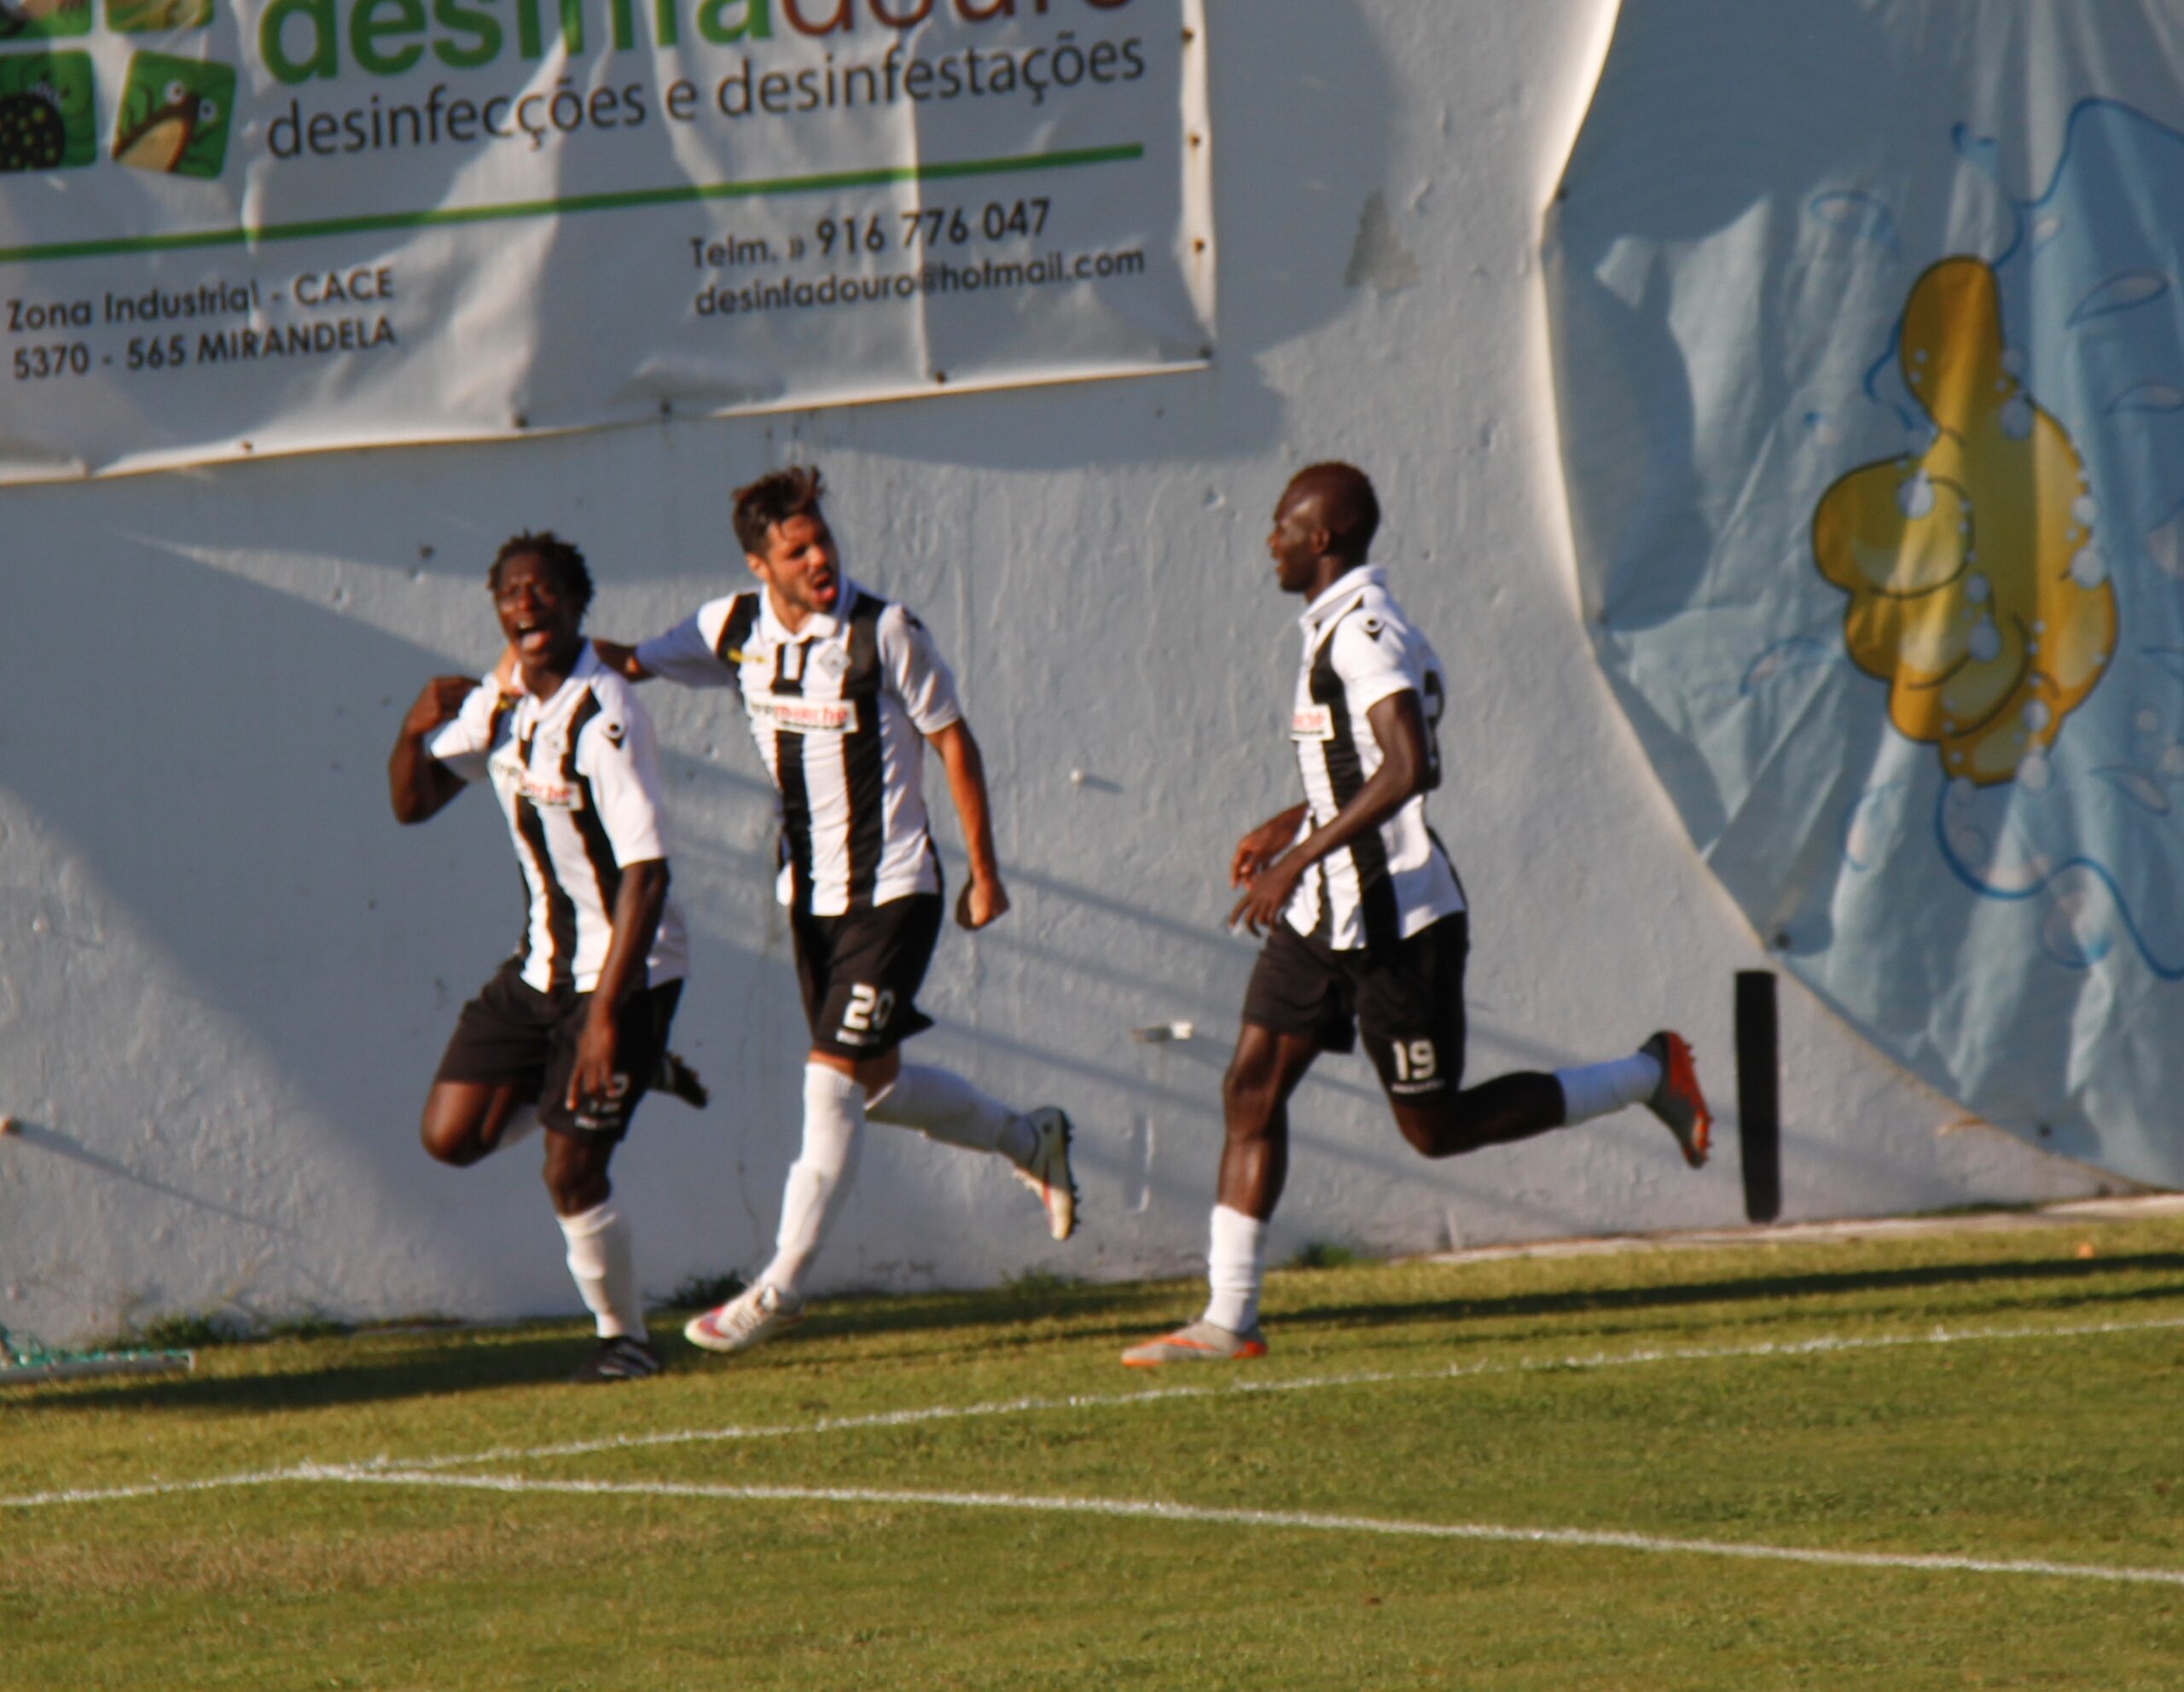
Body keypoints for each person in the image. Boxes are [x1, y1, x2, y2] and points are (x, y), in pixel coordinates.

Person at [1123, 463, 1711, 1366]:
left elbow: (1409, 767)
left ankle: (1648, 1073)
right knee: (1249, 1086)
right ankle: (1227, 1320)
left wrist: (1297, 859)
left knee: (1434, 1131)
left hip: (1400, 926)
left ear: (1322, 538)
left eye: (1281, 525)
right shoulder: (1336, 627)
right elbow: (1359, 767)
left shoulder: (1364, 636)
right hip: (1323, 919)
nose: (1269, 539)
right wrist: (1291, 826)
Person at [594, 465, 1077, 1357]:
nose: (820, 558)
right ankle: (1029, 1139)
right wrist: (533, 657)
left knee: (827, 1085)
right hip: (809, 900)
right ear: (758, 566)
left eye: (823, 539)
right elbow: (630, 662)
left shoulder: (882, 630)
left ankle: (780, 1287)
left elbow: (953, 742)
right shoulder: (729, 629)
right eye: (796, 549)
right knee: (876, 1085)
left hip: (895, 891)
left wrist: (985, 870)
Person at [389, 532, 690, 1385]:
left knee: (569, 1169)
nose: (526, 604)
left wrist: (605, 1020)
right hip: (540, 972)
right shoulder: (501, 699)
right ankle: (630, 1072)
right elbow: (414, 805)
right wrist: (412, 733)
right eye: (511, 593)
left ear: (574, 601)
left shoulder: (609, 711)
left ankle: (624, 1339)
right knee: (449, 1138)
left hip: (628, 974)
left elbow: (649, 872)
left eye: (543, 590)